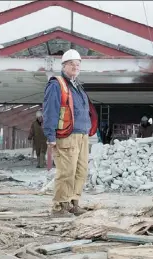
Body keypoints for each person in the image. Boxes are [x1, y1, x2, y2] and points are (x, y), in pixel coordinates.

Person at [43, 49, 98, 217]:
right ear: (64, 66)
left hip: (82, 135)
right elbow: (50, 110)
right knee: (66, 171)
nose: (75, 67)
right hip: (67, 135)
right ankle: (59, 207)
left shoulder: (77, 86)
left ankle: (73, 203)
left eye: (77, 64)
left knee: (81, 171)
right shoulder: (56, 84)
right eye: (71, 64)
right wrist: (50, 136)